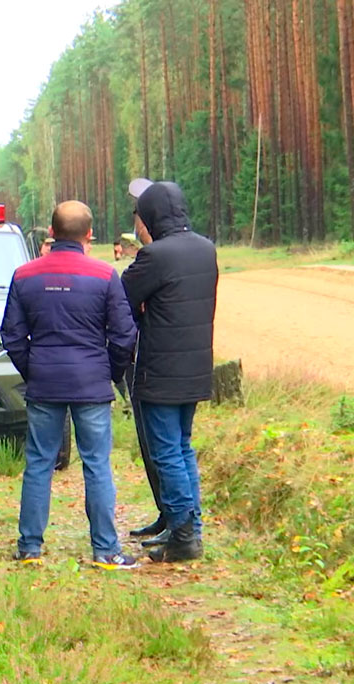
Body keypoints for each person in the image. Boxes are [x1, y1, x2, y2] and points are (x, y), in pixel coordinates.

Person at [1, 201, 139, 569]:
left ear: (51, 232)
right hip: (91, 382)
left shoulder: (24, 275)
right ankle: (106, 550)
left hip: (44, 381)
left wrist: (34, 370)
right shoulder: (104, 275)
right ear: (89, 235)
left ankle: (29, 548)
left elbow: (12, 335)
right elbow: (125, 335)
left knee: (39, 463)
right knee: (96, 465)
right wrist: (107, 371)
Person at [121, 181, 218, 563]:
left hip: (159, 367)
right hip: (195, 366)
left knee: (166, 454)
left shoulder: (155, 256)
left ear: (151, 217)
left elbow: (123, 298)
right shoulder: (205, 248)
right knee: (182, 447)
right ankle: (190, 527)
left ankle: (183, 535)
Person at [121, 179, 168, 547]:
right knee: (151, 446)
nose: (136, 222)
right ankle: (166, 513)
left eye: (139, 214)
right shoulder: (150, 255)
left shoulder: (158, 256)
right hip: (141, 360)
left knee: (162, 446)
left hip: (152, 362)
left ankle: (173, 516)